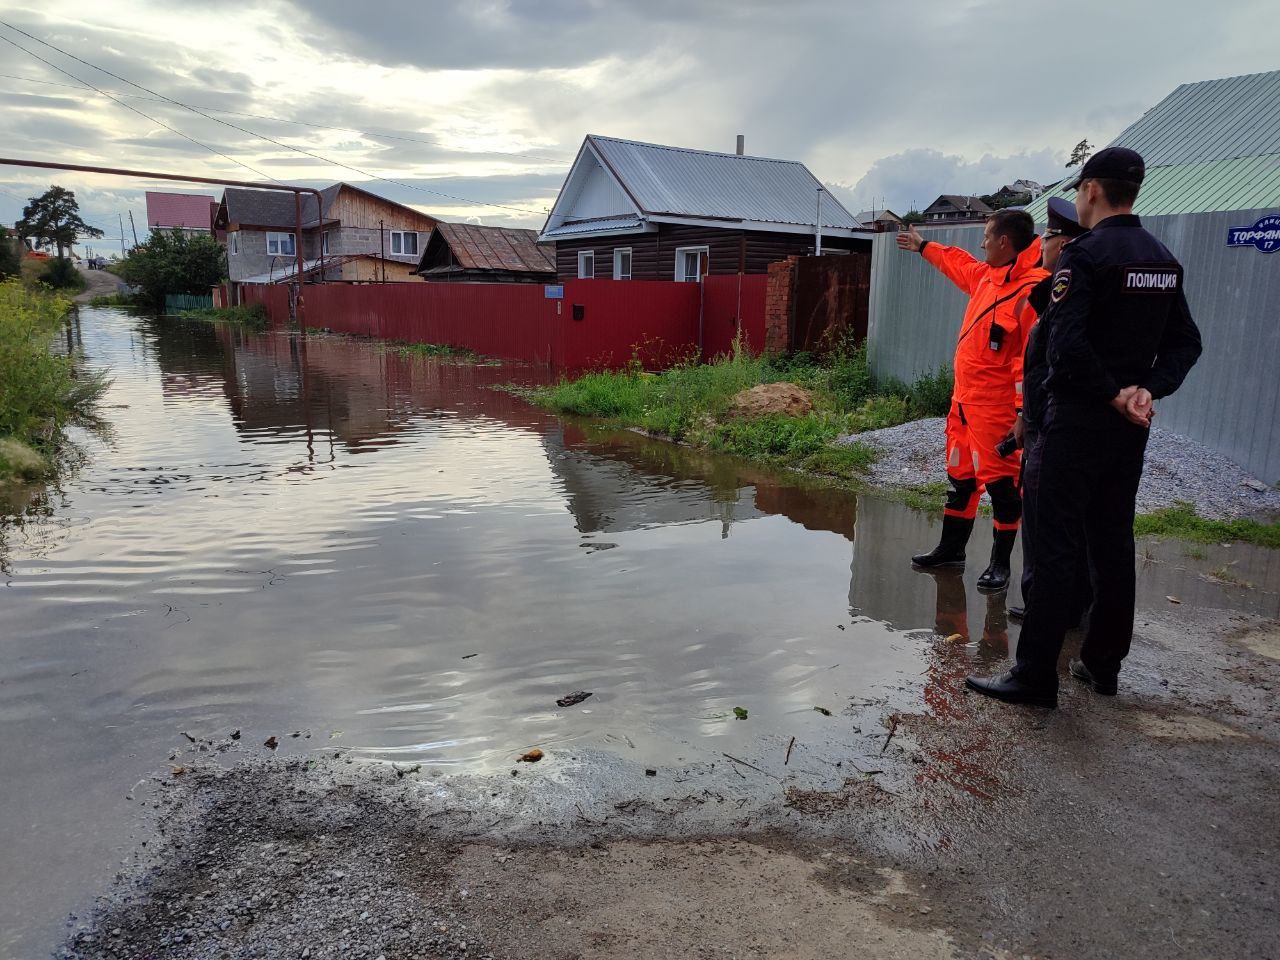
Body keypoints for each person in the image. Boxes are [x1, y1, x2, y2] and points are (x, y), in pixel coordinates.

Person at [966, 147, 1202, 708]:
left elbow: (1065, 342)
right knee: (1112, 543)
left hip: (1075, 422)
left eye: (1077, 190)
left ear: (1092, 190)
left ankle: (1034, 677)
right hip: (1127, 430)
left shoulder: (1086, 256)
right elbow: (1186, 342)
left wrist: (1113, 393)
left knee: (1054, 547)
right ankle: (1102, 667)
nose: (1076, 199)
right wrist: (1146, 389)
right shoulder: (1161, 259)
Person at [896, 211, 1048, 591]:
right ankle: (951, 550)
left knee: (1002, 487)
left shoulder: (1034, 292)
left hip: (996, 409)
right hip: (963, 404)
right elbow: (957, 263)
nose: (980, 244)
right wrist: (923, 246)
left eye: (985, 237)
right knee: (960, 477)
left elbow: (1031, 361)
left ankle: (1000, 565)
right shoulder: (985, 277)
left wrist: (1020, 413)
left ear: (1004, 243)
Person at [1006, 197, 1092, 624]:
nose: (1042, 243)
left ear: (1064, 242)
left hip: (1053, 421)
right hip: (1046, 417)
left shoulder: (1064, 288)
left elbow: (1055, 360)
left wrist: (1031, 414)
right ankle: (1071, 606)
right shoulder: (1054, 290)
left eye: (1050, 236)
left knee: (1043, 520)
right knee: (1072, 524)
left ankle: (1046, 606)